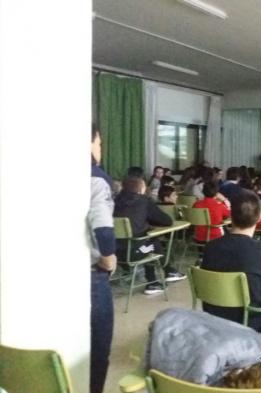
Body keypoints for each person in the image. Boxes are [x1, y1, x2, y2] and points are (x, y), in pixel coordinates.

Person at [201, 190, 261, 334]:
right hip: (251, 319)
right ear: (259, 218)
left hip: (214, 316)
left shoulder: (211, 247)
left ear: (230, 216)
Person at [113, 176, 186, 294]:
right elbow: (166, 221)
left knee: (148, 241)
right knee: (153, 243)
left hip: (114, 252)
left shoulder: (114, 201)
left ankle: (167, 272)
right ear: (141, 189)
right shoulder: (144, 201)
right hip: (133, 252)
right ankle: (154, 281)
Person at [89, 125, 116, 393]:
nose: (100, 149)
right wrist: (108, 258)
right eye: (99, 143)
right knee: (98, 350)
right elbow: (103, 228)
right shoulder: (96, 179)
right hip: (91, 273)